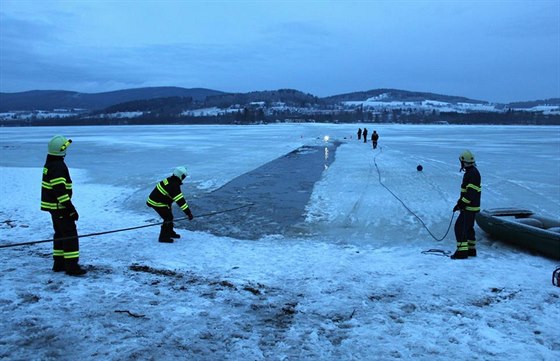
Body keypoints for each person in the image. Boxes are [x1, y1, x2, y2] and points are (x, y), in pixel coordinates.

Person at [41, 135, 87, 276]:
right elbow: (60, 191)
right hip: (59, 207)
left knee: (60, 234)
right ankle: (72, 267)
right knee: (69, 235)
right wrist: (71, 209)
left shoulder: (51, 163)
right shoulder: (57, 166)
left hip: (54, 208)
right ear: (61, 150)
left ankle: (59, 263)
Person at [147, 166, 194, 243]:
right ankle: (163, 237)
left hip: (160, 200)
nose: (184, 178)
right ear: (180, 176)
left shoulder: (171, 180)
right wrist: (189, 214)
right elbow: (181, 202)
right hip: (156, 202)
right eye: (183, 176)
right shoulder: (174, 185)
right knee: (168, 217)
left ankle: (170, 233)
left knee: (169, 216)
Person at [451, 150, 482, 259]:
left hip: (469, 207)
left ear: (464, 162)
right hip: (471, 206)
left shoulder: (472, 174)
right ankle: (471, 250)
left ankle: (462, 252)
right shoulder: (472, 172)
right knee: (468, 228)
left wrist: (461, 204)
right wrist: (460, 203)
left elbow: (471, 193)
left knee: (459, 228)